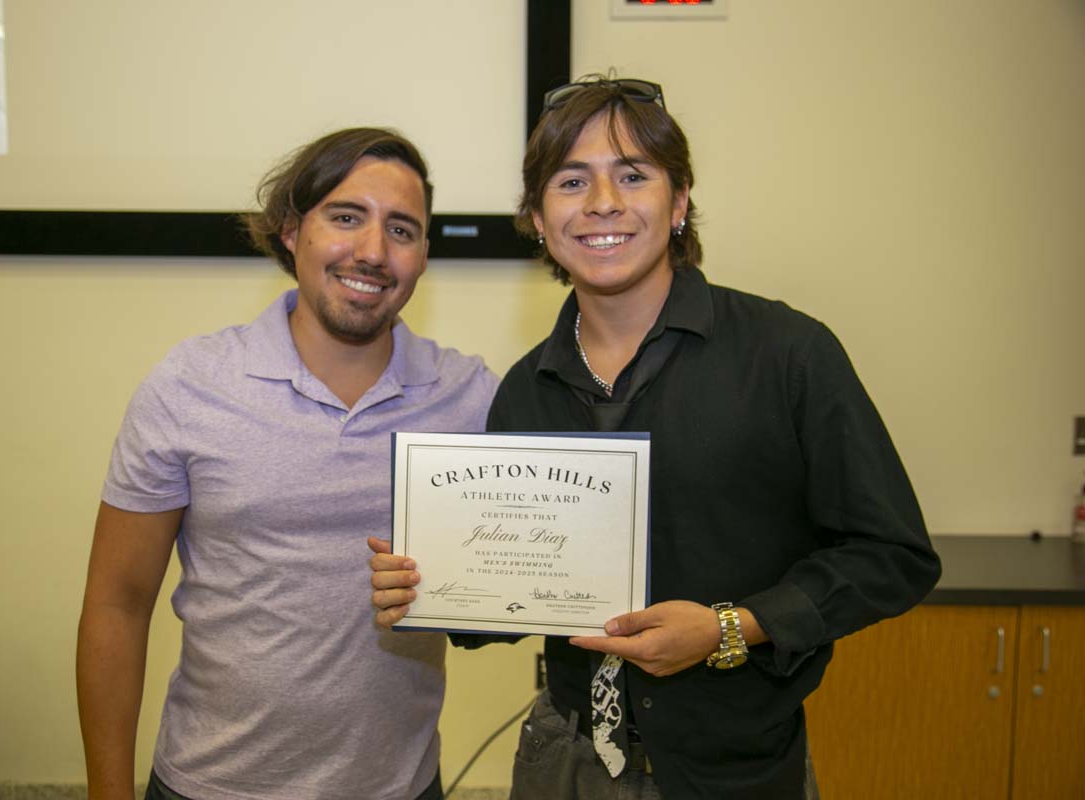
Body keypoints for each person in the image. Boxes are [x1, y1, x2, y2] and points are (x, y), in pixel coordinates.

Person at [370, 77, 941, 799]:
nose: (602, 202)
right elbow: (508, 606)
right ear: (539, 220)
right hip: (563, 762)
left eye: (632, 175)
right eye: (571, 180)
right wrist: (427, 586)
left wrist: (731, 627)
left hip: (737, 770)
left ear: (678, 203)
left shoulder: (788, 354)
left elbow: (894, 554)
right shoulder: (526, 389)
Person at [77, 127, 498, 800]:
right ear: (291, 230)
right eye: (345, 217)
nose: (372, 251)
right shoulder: (188, 386)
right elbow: (117, 606)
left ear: (423, 256)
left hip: (402, 787)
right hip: (208, 784)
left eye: (402, 229)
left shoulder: (470, 398)